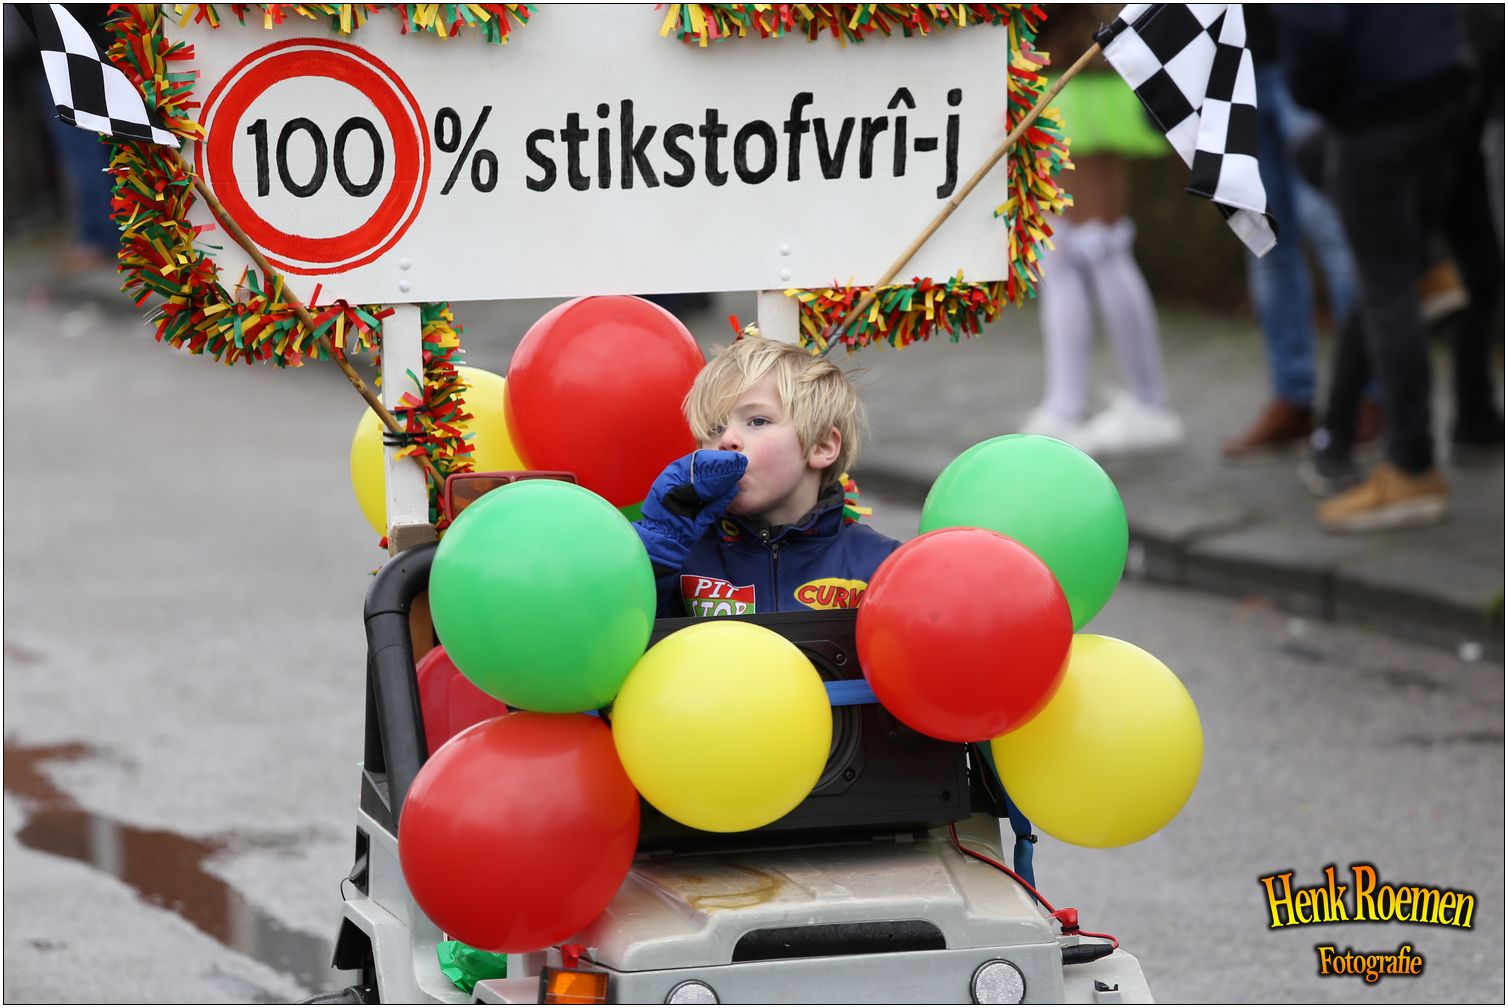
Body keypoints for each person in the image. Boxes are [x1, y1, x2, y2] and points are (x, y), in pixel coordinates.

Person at [1278, 6, 1502, 532]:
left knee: (1386, 285)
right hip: (1450, 87)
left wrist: (1322, 97)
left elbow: (1312, 30)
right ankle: (1464, 416)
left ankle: (1410, 468)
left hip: (1380, 109)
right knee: (1416, 267)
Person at [634, 334, 900, 618]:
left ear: (822, 446)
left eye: (757, 421)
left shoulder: (884, 566)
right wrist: (660, 542)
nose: (727, 440)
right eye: (714, 429)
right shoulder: (680, 558)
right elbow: (621, 625)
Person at [1019, 5, 1183, 457]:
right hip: (1066, 64)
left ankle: (1144, 403)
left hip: (1081, 67)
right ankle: (1070, 404)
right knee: (1065, 246)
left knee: (1099, 242)